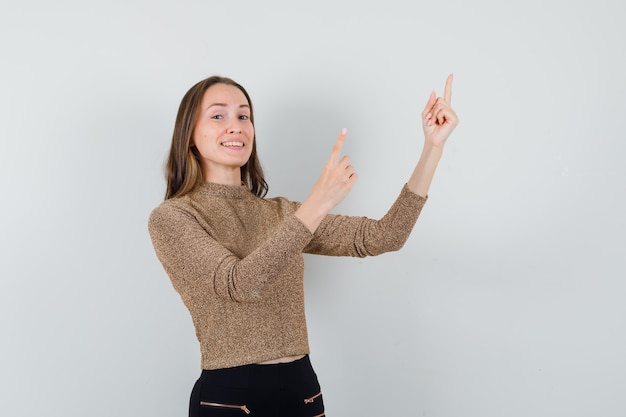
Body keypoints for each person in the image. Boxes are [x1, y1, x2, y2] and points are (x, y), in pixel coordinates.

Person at [148, 74, 458, 417]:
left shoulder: (282, 212)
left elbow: (385, 236)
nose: (235, 126)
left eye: (244, 116)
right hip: (232, 394)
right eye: (218, 115)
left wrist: (433, 148)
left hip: (301, 388)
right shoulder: (173, 218)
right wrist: (317, 202)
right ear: (189, 135)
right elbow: (240, 284)